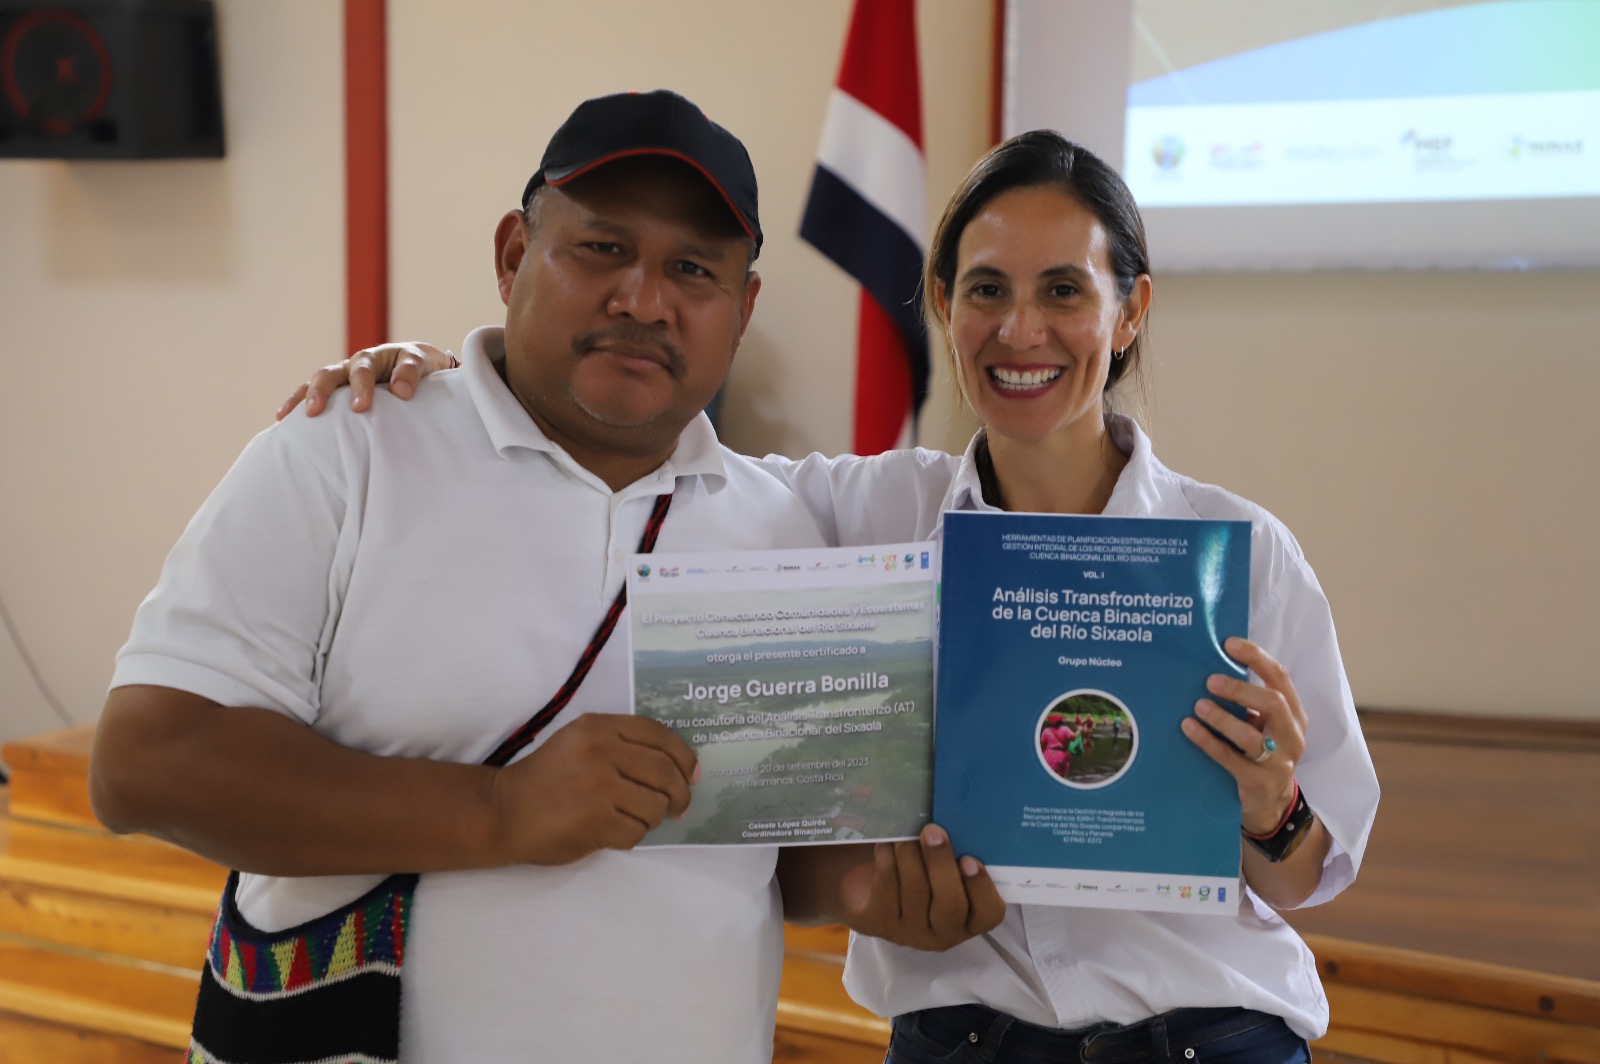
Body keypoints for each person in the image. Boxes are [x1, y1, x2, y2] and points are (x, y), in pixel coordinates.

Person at [284, 131, 1380, 1063]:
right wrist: (455, 384)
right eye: (986, 289)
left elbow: (1304, 876)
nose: (1021, 330)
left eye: (1064, 291)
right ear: (942, 303)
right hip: (962, 1035)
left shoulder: (1242, 556)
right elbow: (649, 456)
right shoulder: (859, 515)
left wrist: (1270, 805)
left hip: (1202, 1031)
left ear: (1130, 310)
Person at [90, 89, 1002, 1064]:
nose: (643, 300)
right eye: (602, 248)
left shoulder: (781, 526)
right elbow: (144, 765)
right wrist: (501, 811)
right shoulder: (347, 452)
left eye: (693, 270)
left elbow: (771, 855)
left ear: (741, 311)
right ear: (513, 254)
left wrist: (877, 892)